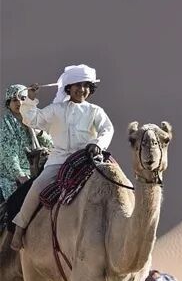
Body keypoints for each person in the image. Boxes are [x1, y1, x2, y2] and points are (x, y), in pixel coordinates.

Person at [10, 64, 113, 250]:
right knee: (37, 186)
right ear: (69, 88)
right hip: (58, 161)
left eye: (86, 85)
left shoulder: (95, 111)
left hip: (86, 159)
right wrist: (30, 99)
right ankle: (20, 228)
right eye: (77, 85)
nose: (82, 89)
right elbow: (33, 120)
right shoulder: (56, 109)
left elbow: (107, 129)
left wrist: (98, 144)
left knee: (112, 182)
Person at [0, 84, 53, 202]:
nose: (19, 103)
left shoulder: (34, 120)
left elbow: (51, 145)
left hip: (37, 171)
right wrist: (20, 175)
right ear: (9, 104)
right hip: (13, 176)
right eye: (15, 100)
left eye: (23, 99)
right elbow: (9, 154)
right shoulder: (6, 125)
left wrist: (39, 132)